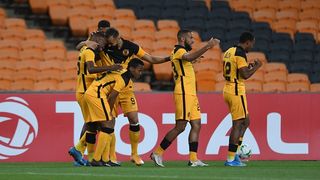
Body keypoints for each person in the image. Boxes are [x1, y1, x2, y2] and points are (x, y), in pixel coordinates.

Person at [98, 27, 170, 165]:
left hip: (126, 87)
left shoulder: (131, 47)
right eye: (109, 42)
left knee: (134, 119)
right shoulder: (105, 46)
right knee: (110, 121)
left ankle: (134, 154)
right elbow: (86, 48)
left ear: (118, 36)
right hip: (110, 87)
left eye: (112, 42)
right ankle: (110, 157)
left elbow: (151, 59)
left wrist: (169, 58)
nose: (110, 45)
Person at [150, 29, 220, 167]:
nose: (193, 40)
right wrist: (208, 46)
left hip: (191, 94)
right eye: (190, 38)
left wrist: (194, 60)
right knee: (180, 127)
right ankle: (157, 153)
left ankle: (193, 159)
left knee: (196, 124)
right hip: (183, 92)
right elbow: (187, 58)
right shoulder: (178, 50)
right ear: (182, 39)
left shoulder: (181, 52)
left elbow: (187, 61)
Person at [68, 31, 122, 166]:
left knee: (92, 124)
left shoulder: (85, 49)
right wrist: (111, 68)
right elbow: (91, 69)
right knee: (97, 124)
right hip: (86, 91)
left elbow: (80, 46)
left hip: (83, 90)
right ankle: (82, 152)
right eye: (103, 43)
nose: (103, 47)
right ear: (97, 41)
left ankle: (81, 154)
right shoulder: (89, 52)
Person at [83, 58, 145, 166]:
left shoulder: (121, 74)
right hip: (96, 94)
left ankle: (105, 159)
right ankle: (97, 159)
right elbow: (112, 97)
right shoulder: (123, 78)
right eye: (139, 70)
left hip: (91, 93)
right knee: (108, 125)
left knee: (95, 126)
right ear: (131, 68)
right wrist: (109, 112)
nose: (141, 73)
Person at [222, 32, 262, 167]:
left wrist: (247, 67)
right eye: (252, 44)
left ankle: (236, 152)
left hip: (228, 88)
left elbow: (236, 70)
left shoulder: (229, 51)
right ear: (248, 42)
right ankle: (231, 158)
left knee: (246, 121)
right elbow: (244, 75)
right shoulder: (240, 53)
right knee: (238, 124)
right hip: (235, 90)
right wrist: (256, 67)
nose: (251, 46)